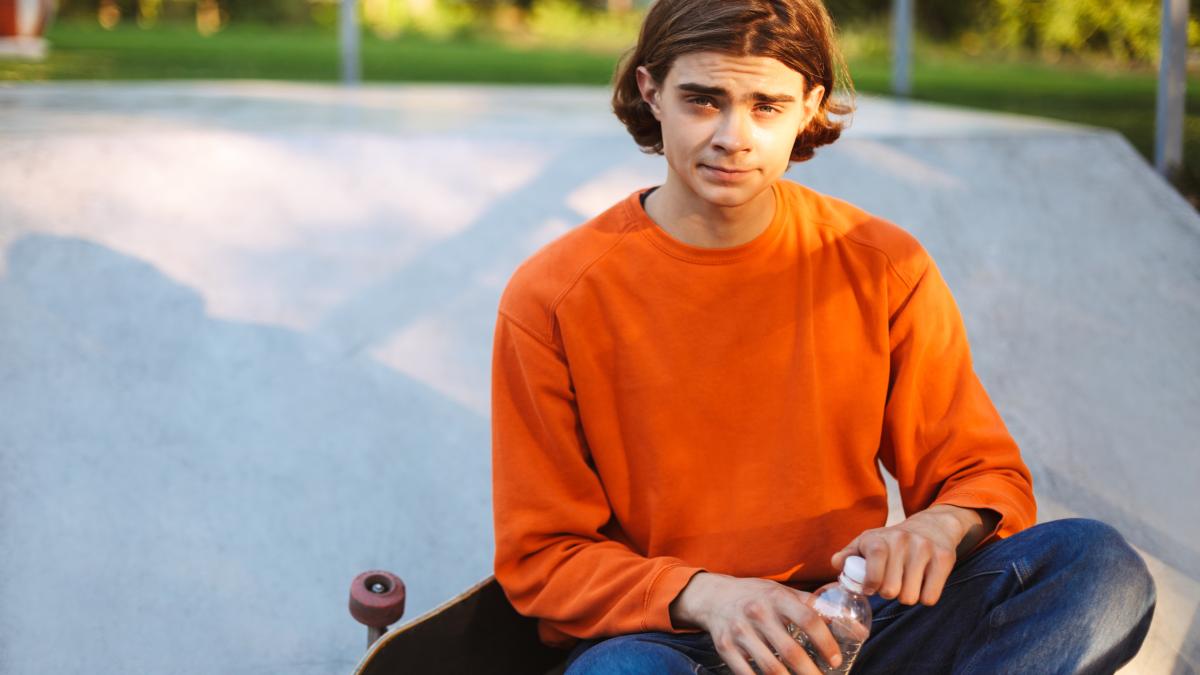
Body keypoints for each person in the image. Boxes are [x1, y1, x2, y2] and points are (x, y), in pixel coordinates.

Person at [489, 1, 1156, 673]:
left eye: (767, 107)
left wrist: (940, 525)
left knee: (1094, 567)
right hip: (675, 636)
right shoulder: (553, 295)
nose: (732, 136)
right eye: (703, 99)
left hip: (855, 621)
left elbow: (982, 475)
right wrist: (708, 597)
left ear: (811, 103)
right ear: (650, 91)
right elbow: (542, 557)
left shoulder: (882, 264)